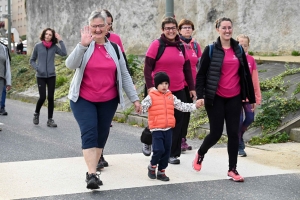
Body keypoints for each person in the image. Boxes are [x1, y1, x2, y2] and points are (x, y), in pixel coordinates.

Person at [65, 10, 140, 190]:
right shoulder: (85, 45)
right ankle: (91, 174)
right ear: (89, 27)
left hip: (108, 100)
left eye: (101, 25)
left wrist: (135, 99)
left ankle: (94, 170)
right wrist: (82, 46)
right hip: (83, 99)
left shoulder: (114, 48)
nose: (97, 29)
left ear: (108, 27)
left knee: (101, 135)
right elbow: (70, 65)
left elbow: (124, 74)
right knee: (89, 131)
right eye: (94, 26)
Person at [193, 17, 255, 182]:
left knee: (234, 133)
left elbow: (246, 75)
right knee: (216, 133)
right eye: (224, 28)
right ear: (218, 30)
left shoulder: (239, 50)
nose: (227, 31)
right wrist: (200, 96)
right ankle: (200, 153)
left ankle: (232, 169)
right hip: (215, 98)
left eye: (230, 28)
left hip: (234, 97)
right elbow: (200, 75)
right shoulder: (211, 49)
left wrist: (251, 97)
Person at [143, 17, 196, 164]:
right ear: (163, 30)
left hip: (178, 89)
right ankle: (147, 140)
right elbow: (147, 68)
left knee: (177, 121)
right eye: (168, 28)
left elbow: (186, 68)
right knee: (157, 120)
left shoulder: (181, 46)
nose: (171, 31)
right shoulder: (156, 45)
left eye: (173, 28)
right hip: (159, 90)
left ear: (176, 30)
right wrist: (150, 87)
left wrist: (191, 88)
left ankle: (173, 154)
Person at [141, 72, 201, 181]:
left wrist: (194, 106)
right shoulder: (151, 97)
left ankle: (161, 171)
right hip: (156, 129)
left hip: (168, 129)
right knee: (158, 150)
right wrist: (140, 108)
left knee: (167, 151)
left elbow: (182, 106)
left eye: (166, 83)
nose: (164, 86)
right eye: (161, 83)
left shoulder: (171, 96)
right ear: (156, 85)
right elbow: (142, 107)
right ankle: (152, 166)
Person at [95, 9, 133, 170]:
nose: (107, 26)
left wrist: (128, 80)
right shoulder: (91, 38)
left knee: (104, 125)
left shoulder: (116, 39)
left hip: (110, 90)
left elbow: (122, 62)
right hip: (92, 90)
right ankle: (95, 156)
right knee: (93, 124)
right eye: (105, 23)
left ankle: (100, 153)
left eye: (109, 23)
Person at [30, 28, 67, 127]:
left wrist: (60, 40)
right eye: (46, 34)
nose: (47, 36)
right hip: (40, 76)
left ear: (52, 37)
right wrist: (38, 68)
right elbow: (32, 60)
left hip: (51, 75)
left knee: (50, 97)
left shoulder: (54, 47)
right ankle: (36, 113)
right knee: (42, 97)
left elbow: (64, 53)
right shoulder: (38, 46)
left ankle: (50, 120)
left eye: (50, 35)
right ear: (43, 35)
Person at [178, 19, 202, 151]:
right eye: (184, 27)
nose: (187, 29)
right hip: (179, 84)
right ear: (179, 30)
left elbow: (200, 64)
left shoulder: (196, 45)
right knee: (178, 112)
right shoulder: (177, 43)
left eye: (189, 27)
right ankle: (174, 138)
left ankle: (182, 139)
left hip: (191, 85)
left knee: (187, 112)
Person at [236, 34, 261, 157]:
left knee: (250, 118)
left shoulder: (251, 60)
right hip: (235, 94)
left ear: (248, 46)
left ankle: (239, 135)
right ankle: (239, 145)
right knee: (238, 120)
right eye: (240, 44)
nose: (243, 47)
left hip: (247, 95)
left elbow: (254, 80)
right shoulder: (233, 57)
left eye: (245, 45)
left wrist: (256, 98)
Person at [0, 42, 11, 121]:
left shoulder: (3, 48)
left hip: (1, 77)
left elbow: (7, 65)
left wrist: (8, 81)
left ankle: (2, 107)